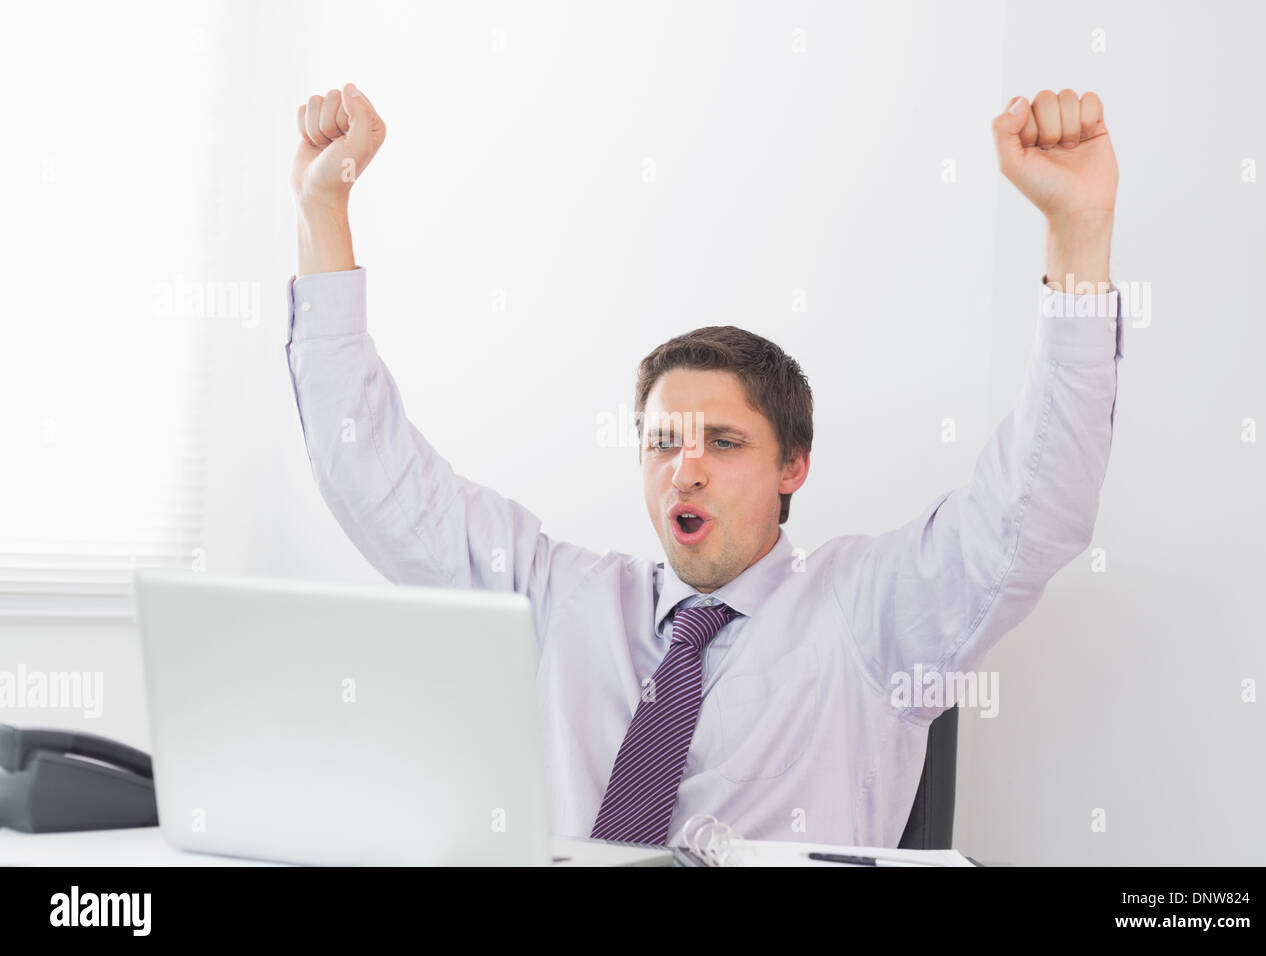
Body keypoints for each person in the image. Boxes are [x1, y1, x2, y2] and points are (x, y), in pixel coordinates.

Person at [285, 83, 1123, 847]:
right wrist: (324, 210)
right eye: (661, 443)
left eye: (722, 444)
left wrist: (1077, 235)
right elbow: (376, 481)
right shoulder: (558, 603)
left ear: (793, 466)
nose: (683, 471)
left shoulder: (873, 614)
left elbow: (1033, 510)